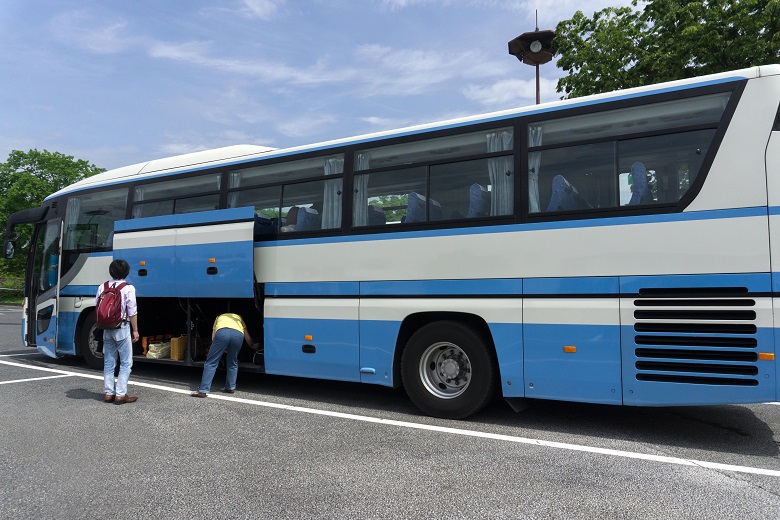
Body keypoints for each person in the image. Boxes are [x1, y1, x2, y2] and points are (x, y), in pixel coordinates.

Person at [98, 259, 139, 405]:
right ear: (126, 272)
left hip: (106, 327)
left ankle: (109, 393)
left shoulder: (103, 286)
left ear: (111, 271)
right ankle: (121, 394)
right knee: (126, 362)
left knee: (109, 361)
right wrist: (135, 330)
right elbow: (132, 311)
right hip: (121, 327)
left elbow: (97, 305)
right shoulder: (128, 288)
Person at [191, 313, 253, 398]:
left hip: (222, 333)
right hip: (238, 335)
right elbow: (248, 338)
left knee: (211, 362)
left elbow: (213, 337)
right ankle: (230, 387)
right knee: (233, 362)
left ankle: (203, 390)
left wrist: (220, 348)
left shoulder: (218, 317)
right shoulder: (239, 318)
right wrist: (253, 346)